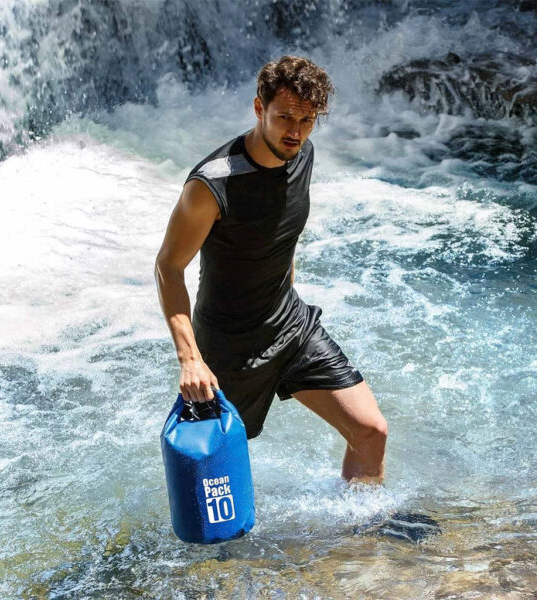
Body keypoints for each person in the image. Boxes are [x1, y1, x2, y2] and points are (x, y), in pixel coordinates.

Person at [155, 56, 387, 482]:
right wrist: (190, 359)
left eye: (307, 120)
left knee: (370, 430)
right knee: (213, 473)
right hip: (229, 346)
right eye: (284, 118)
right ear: (259, 108)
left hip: (290, 326)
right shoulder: (211, 185)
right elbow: (168, 267)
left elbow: (279, 232)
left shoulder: (302, 155)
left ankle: (365, 525)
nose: (295, 131)